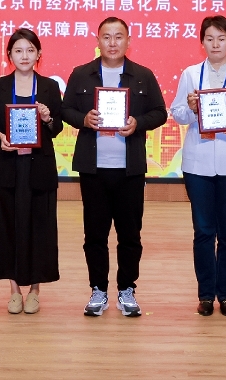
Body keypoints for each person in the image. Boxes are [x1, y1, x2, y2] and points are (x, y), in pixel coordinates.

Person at [62, 17, 167, 318]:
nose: (112, 42)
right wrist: (83, 119)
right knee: (95, 234)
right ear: (97, 40)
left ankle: (126, 290)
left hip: (129, 168)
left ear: (128, 41)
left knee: (130, 235)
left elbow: (159, 112)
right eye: (106, 36)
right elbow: (65, 109)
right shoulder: (81, 74)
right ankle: (98, 290)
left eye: (118, 36)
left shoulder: (142, 76)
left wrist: (138, 123)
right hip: (93, 168)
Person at [169, 15, 226, 317]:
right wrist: (190, 108)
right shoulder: (190, 73)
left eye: (221, 38)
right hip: (197, 163)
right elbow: (177, 112)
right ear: (202, 42)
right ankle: (206, 295)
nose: (215, 44)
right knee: (203, 232)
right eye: (209, 38)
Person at [0, 28, 64, 314]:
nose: (24, 56)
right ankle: (14, 291)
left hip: (39, 167)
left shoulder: (48, 86)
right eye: (18, 50)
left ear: (38, 54)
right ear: (9, 55)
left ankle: (34, 290)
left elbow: (57, 127)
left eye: (30, 50)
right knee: (8, 226)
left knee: (39, 228)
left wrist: (47, 117)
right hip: (9, 167)